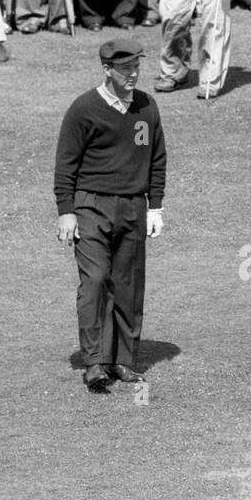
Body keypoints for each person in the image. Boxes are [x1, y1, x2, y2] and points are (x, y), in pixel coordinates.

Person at [54, 37, 167, 392]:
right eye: (125, 68)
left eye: (136, 66)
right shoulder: (83, 109)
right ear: (107, 70)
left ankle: (122, 360)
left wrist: (156, 206)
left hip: (133, 206)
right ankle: (94, 362)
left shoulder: (147, 107)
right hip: (91, 205)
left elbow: (157, 159)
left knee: (128, 283)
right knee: (96, 279)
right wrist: (66, 212)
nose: (133, 74)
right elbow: (65, 165)